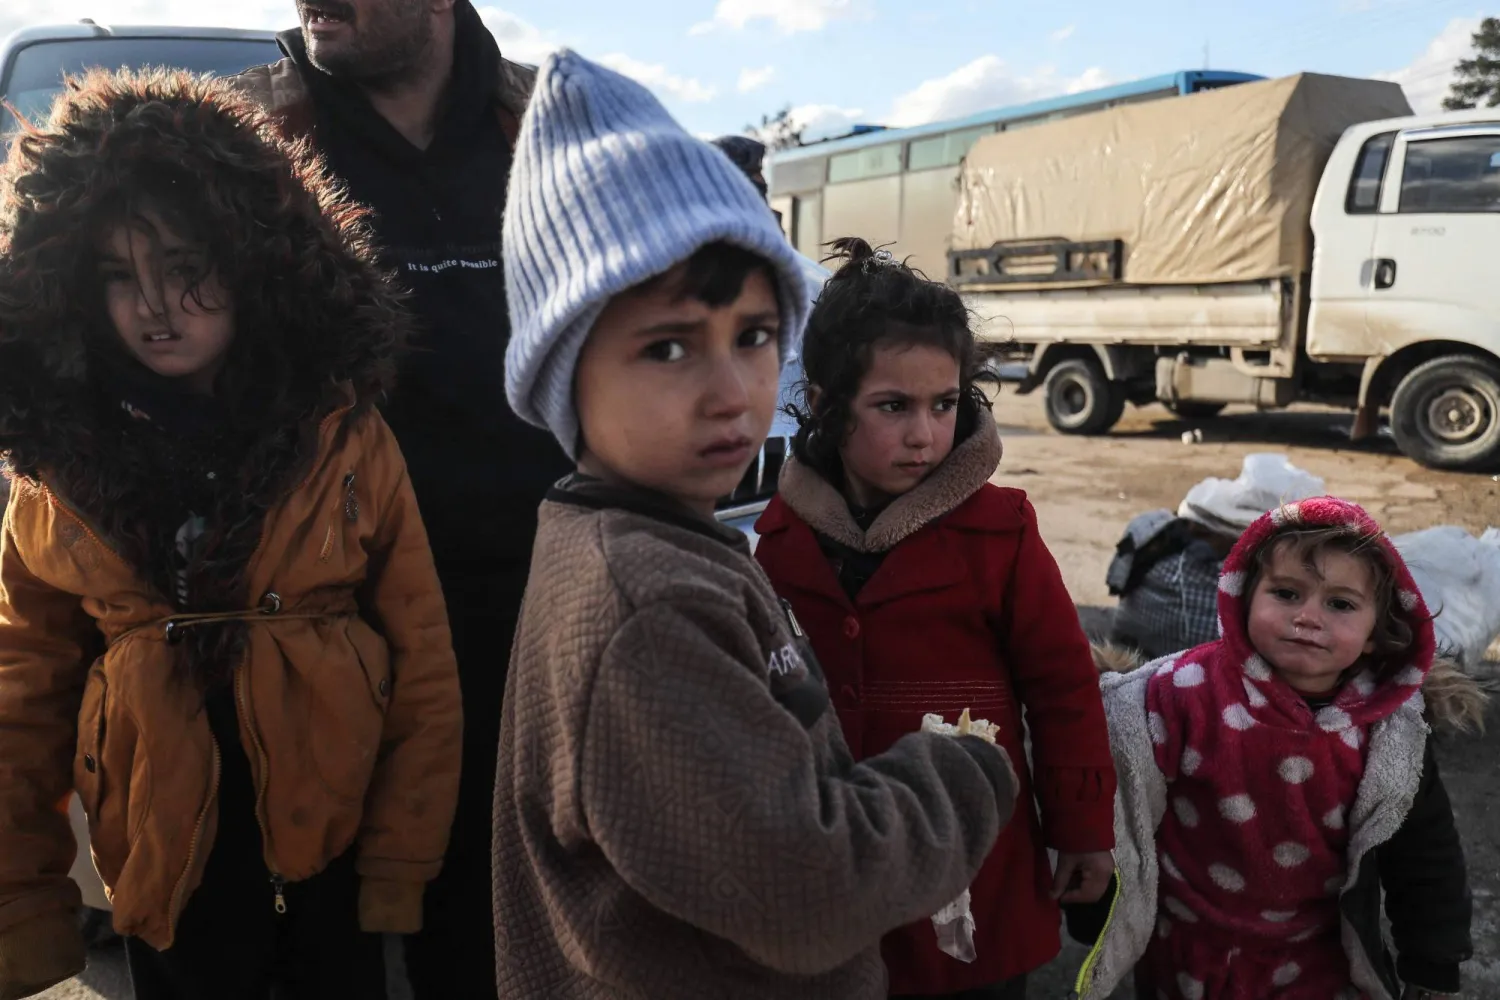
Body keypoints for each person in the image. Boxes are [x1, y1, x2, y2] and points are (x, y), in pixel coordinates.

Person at [491, 50, 1019, 999]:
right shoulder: (647, 605)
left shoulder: (646, 537)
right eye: (666, 348)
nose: (733, 393)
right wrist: (962, 773)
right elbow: (809, 888)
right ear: (563, 372)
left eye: (755, 334)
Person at [0, 69, 461, 1000]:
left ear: (252, 260)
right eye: (119, 277)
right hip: (166, 871)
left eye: (184, 268)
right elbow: (22, 687)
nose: (156, 307)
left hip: (334, 858)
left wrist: (400, 864)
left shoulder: (341, 433)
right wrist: (19, 897)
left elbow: (422, 659)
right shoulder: (61, 472)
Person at [234, 4, 571, 994]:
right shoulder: (250, 138)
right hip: (332, 615)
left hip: (547, 598)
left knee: (533, 912)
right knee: (337, 927)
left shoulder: (549, 120)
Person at [752, 238, 1118, 999]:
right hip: (839, 877)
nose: (925, 434)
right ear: (823, 405)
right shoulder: (782, 541)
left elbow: (1062, 688)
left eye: (944, 404)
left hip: (972, 878)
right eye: (893, 407)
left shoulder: (1002, 532)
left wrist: (1083, 826)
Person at [1074, 497, 1477, 1000]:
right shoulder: (1177, 695)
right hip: (1183, 950)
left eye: (1341, 604)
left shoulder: (1388, 734)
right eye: (1286, 593)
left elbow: (1424, 854)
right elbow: (1119, 806)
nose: (1309, 617)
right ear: (1243, 599)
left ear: (1377, 633)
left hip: (1316, 957)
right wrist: (1098, 907)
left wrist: (1432, 961)